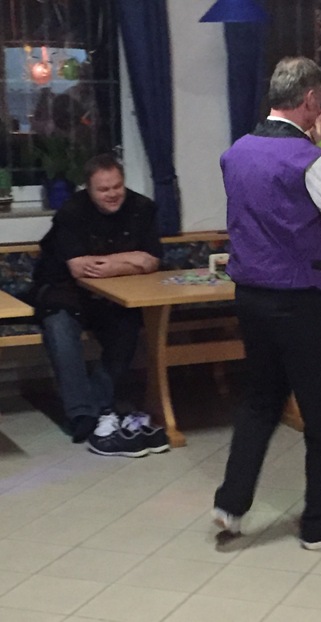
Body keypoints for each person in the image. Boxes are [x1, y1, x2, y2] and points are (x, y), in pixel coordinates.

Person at [212, 56, 321, 550]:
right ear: (311, 100)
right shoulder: (309, 161)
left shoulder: (236, 152)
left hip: (249, 296)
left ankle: (231, 504)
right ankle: (320, 526)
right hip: (299, 300)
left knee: (261, 400)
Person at [31, 153, 166, 456]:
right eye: (103, 189)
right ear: (89, 189)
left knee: (129, 326)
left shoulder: (142, 207)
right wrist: (131, 259)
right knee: (59, 328)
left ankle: (99, 406)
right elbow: (79, 268)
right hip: (63, 291)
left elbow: (152, 260)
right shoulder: (71, 211)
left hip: (115, 296)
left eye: (117, 187)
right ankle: (83, 415)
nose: (112, 194)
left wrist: (113, 263)